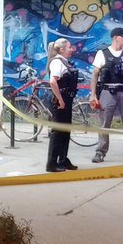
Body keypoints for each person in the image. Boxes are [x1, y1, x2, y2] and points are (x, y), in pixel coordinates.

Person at [89, 27, 123, 164]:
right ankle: (100, 152)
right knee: (104, 124)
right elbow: (95, 75)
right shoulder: (102, 53)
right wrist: (93, 95)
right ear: (115, 38)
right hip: (107, 92)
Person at [45, 37, 79, 173]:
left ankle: (63, 160)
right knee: (57, 132)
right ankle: (51, 163)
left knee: (65, 131)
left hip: (66, 100)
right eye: (69, 47)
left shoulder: (65, 62)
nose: (72, 49)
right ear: (61, 49)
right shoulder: (57, 63)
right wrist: (60, 99)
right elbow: (53, 82)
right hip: (60, 102)